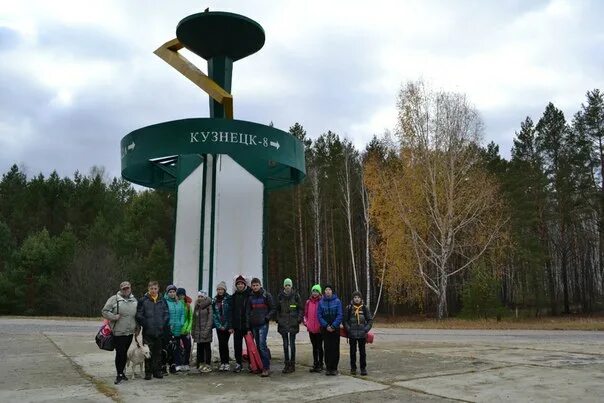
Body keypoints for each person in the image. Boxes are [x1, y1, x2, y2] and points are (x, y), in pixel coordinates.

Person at [102, 281, 138, 384]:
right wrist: (113, 317)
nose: (126, 290)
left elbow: (135, 315)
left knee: (125, 353)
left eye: (128, 288)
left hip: (130, 332)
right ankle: (119, 374)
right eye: (124, 289)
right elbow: (104, 311)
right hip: (118, 332)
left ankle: (122, 373)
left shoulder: (134, 300)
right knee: (120, 353)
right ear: (121, 289)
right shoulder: (114, 299)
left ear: (130, 288)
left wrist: (137, 327)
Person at [135, 280, 169, 380]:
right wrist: (145, 323)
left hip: (159, 331)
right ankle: (148, 372)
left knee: (158, 352)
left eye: (155, 289)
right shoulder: (143, 300)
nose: (153, 290)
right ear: (148, 289)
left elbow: (166, 314)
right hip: (148, 331)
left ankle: (157, 371)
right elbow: (139, 314)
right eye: (151, 289)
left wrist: (163, 323)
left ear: (158, 289)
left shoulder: (163, 300)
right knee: (148, 352)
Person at [246, 277, 275, 377]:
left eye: (256, 285)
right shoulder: (250, 297)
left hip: (263, 324)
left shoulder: (266, 295)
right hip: (254, 325)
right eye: (253, 286)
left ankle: (266, 368)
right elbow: (248, 312)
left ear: (260, 285)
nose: (255, 287)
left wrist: (267, 318)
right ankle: (259, 365)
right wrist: (248, 325)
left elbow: (273, 308)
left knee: (262, 345)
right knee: (257, 346)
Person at [276, 278, 303, 374]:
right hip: (283, 324)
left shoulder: (296, 296)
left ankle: (292, 364)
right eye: (286, 285)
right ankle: (286, 364)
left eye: (289, 285)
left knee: (292, 344)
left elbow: (300, 309)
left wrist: (298, 319)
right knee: (285, 345)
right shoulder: (280, 296)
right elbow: (277, 309)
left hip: (293, 323)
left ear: (291, 286)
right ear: (284, 286)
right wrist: (278, 319)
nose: (287, 287)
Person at [344, 290, 373, 376]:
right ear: (353, 299)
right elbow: (345, 321)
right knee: (352, 352)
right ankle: (353, 368)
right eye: (355, 297)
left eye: (358, 297)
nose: (357, 299)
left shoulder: (364, 308)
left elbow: (370, 320)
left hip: (362, 334)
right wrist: (349, 329)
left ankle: (363, 368)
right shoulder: (349, 308)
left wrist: (365, 329)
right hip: (352, 334)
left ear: (361, 299)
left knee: (362, 352)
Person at [318, 284, 343, 376]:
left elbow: (340, 315)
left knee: (335, 348)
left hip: (335, 329)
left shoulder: (337, 301)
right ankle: (328, 368)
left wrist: (333, 326)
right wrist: (326, 325)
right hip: (325, 329)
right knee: (327, 348)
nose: (328, 291)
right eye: (326, 290)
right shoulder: (321, 302)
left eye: (329, 290)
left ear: (332, 291)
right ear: (324, 292)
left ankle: (334, 368)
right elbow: (319, 315)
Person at [230, 275, 250, 373]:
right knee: (237, 345)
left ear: (245, 285)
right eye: (238, 284)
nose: (240, 285)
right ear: (236, 285)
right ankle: (238, 363)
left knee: (250, 345)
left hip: (247, 326)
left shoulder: (249, 295)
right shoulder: (233, 297)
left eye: (242, 284)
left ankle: (251, 363)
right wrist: (231, 326)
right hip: (237, 326)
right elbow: (231, 312)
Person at [164, 284, 185, 373]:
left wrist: (181, 322)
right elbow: (164, 314)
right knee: (168, 348)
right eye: (170, 292)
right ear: (167, 293)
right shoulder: (165, 302)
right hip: (169, 329)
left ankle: (174, 366)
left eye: (173, 292)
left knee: (176, 348)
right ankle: (164, 366)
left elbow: (183, 314)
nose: (172, 294)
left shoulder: (179, 302)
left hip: (177, 329)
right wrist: (168, 324)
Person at [304, 284, 324, 373]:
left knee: (320, 347)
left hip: (320, 329)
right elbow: (305, 314)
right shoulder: (308, 302)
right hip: (311, 329)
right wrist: (306, 323)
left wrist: (322, 324)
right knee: (314, 347)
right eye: (313, 291)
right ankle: (315, 363)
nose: (315, 293)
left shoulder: (322, 302)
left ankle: (321, 364)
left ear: (319, 292)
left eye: (316, 291)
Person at [212, 281, 232, 371]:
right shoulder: (214, 300)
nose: (220, 291)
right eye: (218, 289)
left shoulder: (229, 299)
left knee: (225, 343)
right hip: (219, 326)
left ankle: (226, 362)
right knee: (221, 344)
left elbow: (230, 313)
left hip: (227, 325)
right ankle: (222, 362)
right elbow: (214, 314)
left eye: (221, 289)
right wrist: (219, 325)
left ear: (224, 290)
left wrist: (226, 325)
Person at [192, 290, 213, 373]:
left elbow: (210, 320)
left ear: (205, 297)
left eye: (202, 297)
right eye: (199, 296)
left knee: (207, 349)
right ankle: (200, 363)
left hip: (205, 331)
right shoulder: (196, 306)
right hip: (198, 332)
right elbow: (194, 320)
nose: (200, 298)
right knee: (199, 348)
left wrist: (206, 331)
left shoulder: (208, 306)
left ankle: (207, 364)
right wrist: (193, 331)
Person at [177, 288, 193, 371]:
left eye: (182, 295)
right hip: (177, 330)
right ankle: (178, 363)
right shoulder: (176, 304)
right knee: (178, 347)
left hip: (186, 330)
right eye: (179, 295)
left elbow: (190, 318)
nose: (181, 296)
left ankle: (186, 363)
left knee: (188, 346)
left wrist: (188, 328)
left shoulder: (188, 305)